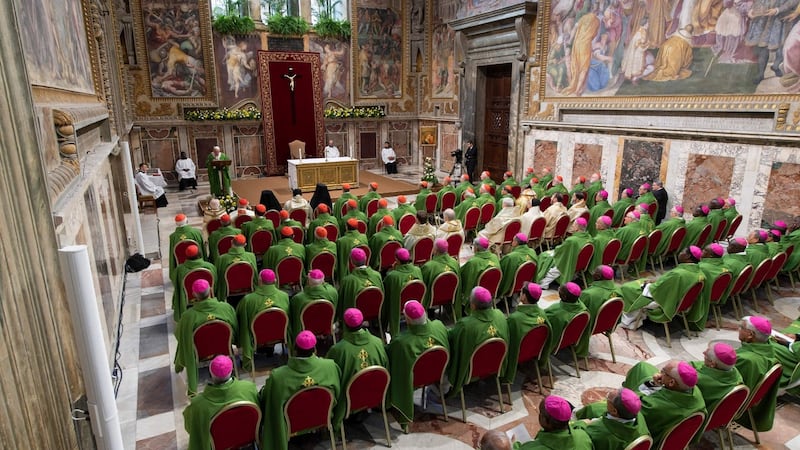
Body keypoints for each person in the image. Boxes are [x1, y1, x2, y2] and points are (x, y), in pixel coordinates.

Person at [259, 331, 341, 450]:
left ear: (295, 348)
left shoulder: (278, 377)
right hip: (322, 417)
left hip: (291, 424)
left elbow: (269, 403)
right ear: (314, 348)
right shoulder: (330, 366)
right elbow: (338, 393)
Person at [387, 300, 450, 428]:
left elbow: (389, 358)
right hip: (437, 374)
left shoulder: (401, 343)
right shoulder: (439, 326)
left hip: (413, 380)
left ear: (408, 321)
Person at [174, 279, 238, 396]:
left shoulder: (187, 317)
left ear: (193, 295)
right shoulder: (226, 308)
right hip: (224, 348)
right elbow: (235, 329)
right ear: (211, 291)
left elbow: (180, 336)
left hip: (200, 353)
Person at [622, 360, 706, 445]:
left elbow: (633, 403)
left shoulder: (654, 406)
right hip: (676, 438)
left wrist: (653, 384)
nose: (659, 373)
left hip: (653, 438)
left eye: (663, 371)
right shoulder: (695, 391)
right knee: (642, 366)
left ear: (671, 382)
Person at [183, 355, 258, 450]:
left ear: (210, 374)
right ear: (232, 371)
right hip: (247, 439)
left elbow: (191, 427)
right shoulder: (249, 388)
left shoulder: (198, 405)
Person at [619, 246, 704, 330]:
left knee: (627, 288)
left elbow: (656, 291)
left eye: (682, 252)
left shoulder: (678, 274)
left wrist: (647, 285)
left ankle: (628, 321)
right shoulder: (699, 273)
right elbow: (668, 283)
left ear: (688, 256)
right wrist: (658, 281)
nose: (680, 253)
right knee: (645, 280)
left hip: (663, 301)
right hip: (679, 302)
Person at [326, 308, 388, 421]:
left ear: (345, 325)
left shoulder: (338, 350)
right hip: (375, 394)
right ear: (363, 322)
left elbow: (330, 377)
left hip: (349, 400)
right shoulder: (378, 342)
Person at [447, 287, 509, 398]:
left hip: (470, 371)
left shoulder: (466, 325)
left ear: (473, 305)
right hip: (494, 366)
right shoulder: (500, 315)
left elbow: (452, 340)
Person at [236, 269, 289, 372]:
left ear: (259, 281)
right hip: (280, 335)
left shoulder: (248, 300)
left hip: (256, 338)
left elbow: (240, 321)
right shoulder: (284, 296)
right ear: (275, 280)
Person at [735, 315, 779, 432]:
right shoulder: (768, 348)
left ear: (750, 335)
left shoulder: (747, 360)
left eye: (741, 327)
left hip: (733, 404)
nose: (738, 329)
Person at [501, 282, 550, 385]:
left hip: (516, 355)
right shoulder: (542, 313)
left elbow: (506, 338)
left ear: (523, 296)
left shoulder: (515, 318)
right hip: (533, 352)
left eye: (521, 292)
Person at [573, 388, 649, 450]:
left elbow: (580, 438)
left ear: (614, 411)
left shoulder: (599, 432)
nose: (605, 401)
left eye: (607, 399)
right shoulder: (640, 416)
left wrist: (582, 424)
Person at [575, 265, 620, 357]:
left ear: (598, 277)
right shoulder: (618, 291)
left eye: (594, 272)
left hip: (588, 327)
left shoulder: (589, 294)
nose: (592, 273)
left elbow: (576, 313)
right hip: (605, 325)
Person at [537, 217, 593, 288]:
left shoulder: (572, 240)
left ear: (577, 228)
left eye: (574, 225)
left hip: (568, 261)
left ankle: (543, 282)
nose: (572, 226)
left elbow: (559, 250)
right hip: (579, 263)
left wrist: (555, 249)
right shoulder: (589, 238)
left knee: (544, 255)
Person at [519, 395, 593, 449]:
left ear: (544, 420)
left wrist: (512, 445)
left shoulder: (531, 448)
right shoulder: (583, 436)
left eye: (540, 412)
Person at [691, 342, 744, 411]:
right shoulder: (735, 372)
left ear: (712, 364)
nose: (703, 352)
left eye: (706, 354)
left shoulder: (700, 380)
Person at [383, 248, 423, 336]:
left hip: (399, 306)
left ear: (396, 260)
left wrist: (393, 270)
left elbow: (385, 291)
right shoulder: (417, 270)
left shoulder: (393, 276)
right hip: (415, 303)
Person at [172, 244, 217, 321]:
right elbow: (216, 283)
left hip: (187, 299)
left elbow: (176, 284)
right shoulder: (210, 267)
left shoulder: (179, 270)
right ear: (200, 254)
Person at [290, 269, 338, 337]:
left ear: (308, 281)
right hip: (326, 327)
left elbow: (295, 321)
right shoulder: (333, 292)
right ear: (323, 281)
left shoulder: (298, 299)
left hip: (306, 332)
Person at [459, 237, 501, 315]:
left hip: (477, 296)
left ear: (476, 248)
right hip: (491, 293)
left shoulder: (473, 262)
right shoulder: (494, 257)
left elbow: (463, 276)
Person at [339, 248, 383, 316]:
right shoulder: (377, 275)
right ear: (366, 258)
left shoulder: (347, 281)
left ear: (351, 262)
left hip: (355, 316)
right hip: (375, 312)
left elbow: (342, 303)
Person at [214, 234, 257, 304]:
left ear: (231, 242)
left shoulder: (221, 259)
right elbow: (255, 275)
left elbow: (218, 277)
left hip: (228, 291)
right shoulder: (251, 256)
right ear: (245, 245)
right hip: (247, 289)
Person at [421, 239, 461, 311]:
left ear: (435, 250)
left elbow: (422, 285)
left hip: (432, 299)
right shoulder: (455, 263)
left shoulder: (429, 267)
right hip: (450, 297)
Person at [168, 214, 205, 284]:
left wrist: (173, 272)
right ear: (187, 221)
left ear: (176, 224)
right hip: (198, 265)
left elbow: (172, 255)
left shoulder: (173, 237)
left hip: (182, 267)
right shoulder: (196, 232)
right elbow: (202, 249)